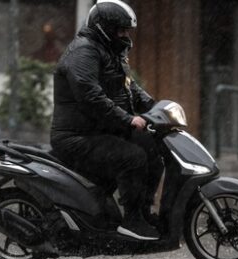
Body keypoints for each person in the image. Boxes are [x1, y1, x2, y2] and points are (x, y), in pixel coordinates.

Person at [50, 0, 163, 241]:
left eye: (127, 31)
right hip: (76, 136)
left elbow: (128, 88)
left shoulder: (110, 51)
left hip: (100, 131)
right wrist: (128, 119)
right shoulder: (84, 51)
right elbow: (90, 96)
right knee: (132, 157)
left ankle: (141, 212)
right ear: (104, 28)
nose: (125, 35)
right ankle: (131, 221)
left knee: (153, 148)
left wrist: (156, 107)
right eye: (120, 30)